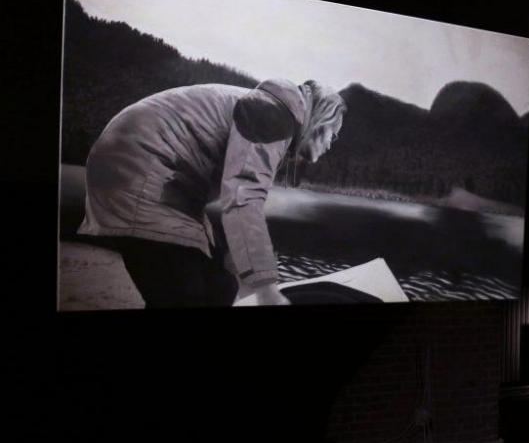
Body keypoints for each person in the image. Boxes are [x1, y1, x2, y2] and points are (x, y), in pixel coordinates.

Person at [78, 79, 346, 308]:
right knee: (186, 295)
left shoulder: (272, 110)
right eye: (332, 135)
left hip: (162, 179)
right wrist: (266, 288)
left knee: (220, 284)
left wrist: (237, 257)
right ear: (321, 121)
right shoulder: (274, 115)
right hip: (141, 168)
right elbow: (243, 197)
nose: (330, 145)